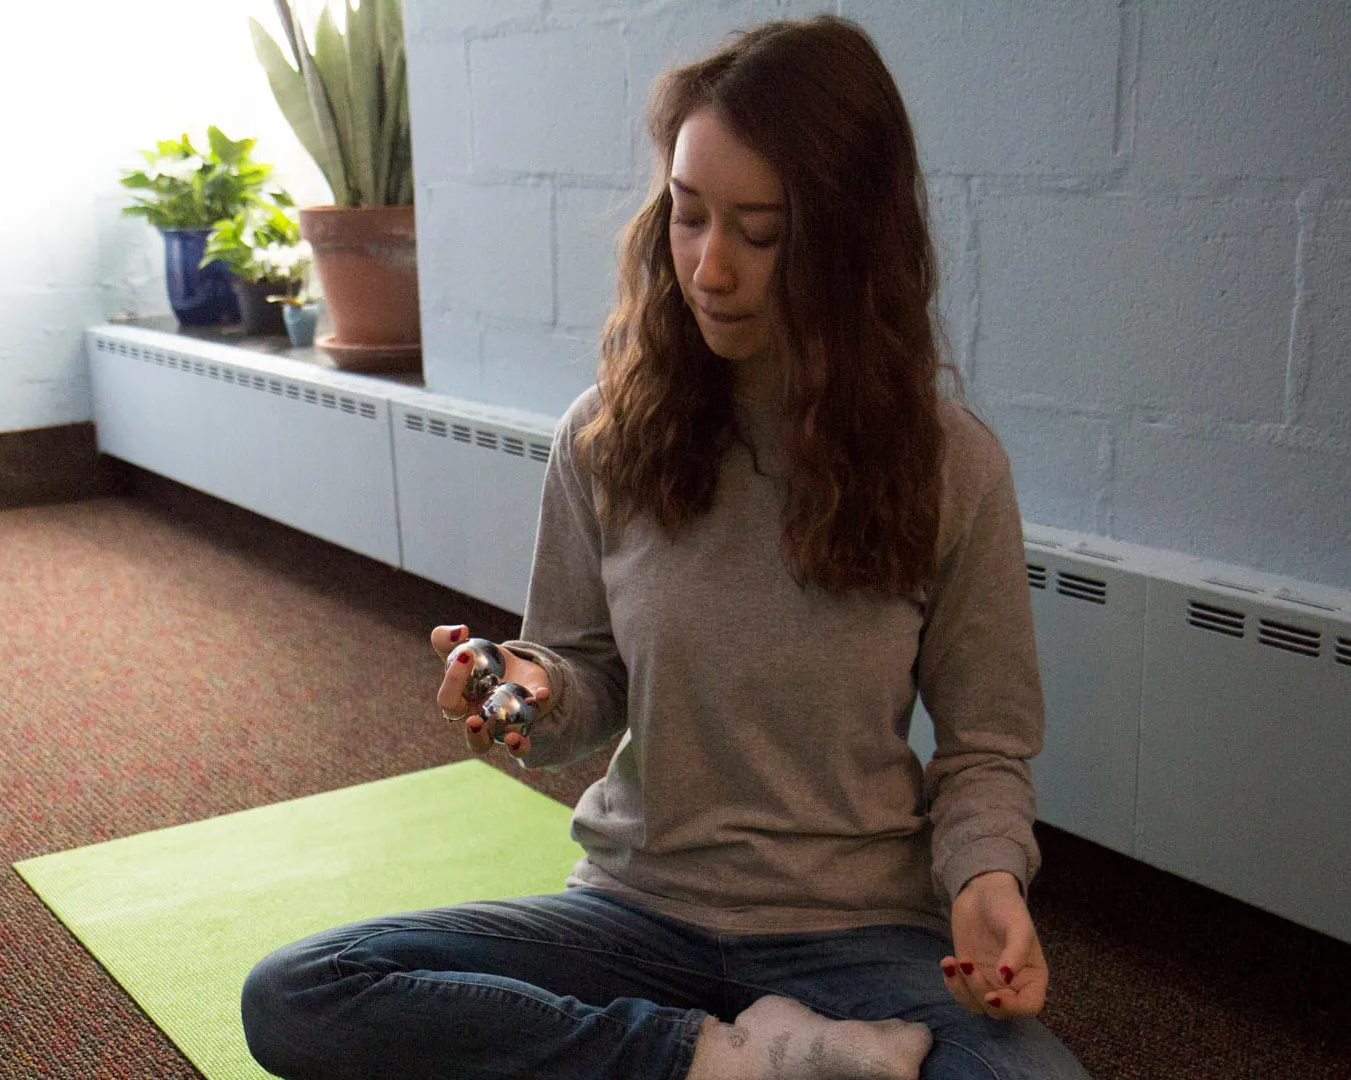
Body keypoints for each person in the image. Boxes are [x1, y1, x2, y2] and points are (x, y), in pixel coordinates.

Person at [242, 15, 1091, 1080]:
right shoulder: (607, 435)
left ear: (847, 240)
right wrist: (527, 689)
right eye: (688, 216)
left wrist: (986, 885)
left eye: (760, 230)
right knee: (299, 996)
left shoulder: (952, 467)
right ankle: (716, 1063)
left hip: (859, 940)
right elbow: (584, 675)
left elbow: (983, 752)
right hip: (637, 918)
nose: (710, 267)